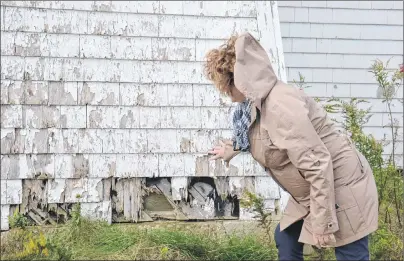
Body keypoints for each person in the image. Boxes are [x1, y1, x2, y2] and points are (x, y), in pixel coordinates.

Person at [204, 32, 378, 261]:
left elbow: (317, 164)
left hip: (340, 185)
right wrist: (233, 149)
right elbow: (263, 138)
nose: (225, 93)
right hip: (313, 188)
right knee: (286, 237)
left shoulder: (279, 107)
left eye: (226, 85)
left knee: (350, 252)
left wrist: (323, 222)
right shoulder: (255, 106)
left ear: (241, 80)